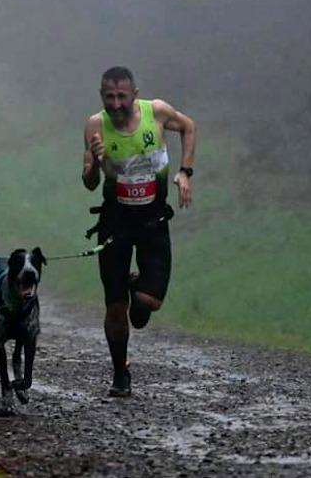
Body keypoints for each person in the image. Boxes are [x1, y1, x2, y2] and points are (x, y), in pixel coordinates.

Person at [81, 66, 196, 397]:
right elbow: (89, 183)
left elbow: (189, 127)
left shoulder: (156, 112)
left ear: (135, 94)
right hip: (115, 224)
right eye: (109, 97)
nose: (116, 103)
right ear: (101, 96)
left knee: (148, 305)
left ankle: (138, 287)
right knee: (115, 306)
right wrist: (94, 165)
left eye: (122, 96)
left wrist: (185, 172)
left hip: (153, 222)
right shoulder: (94, 126)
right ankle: (120, 373)